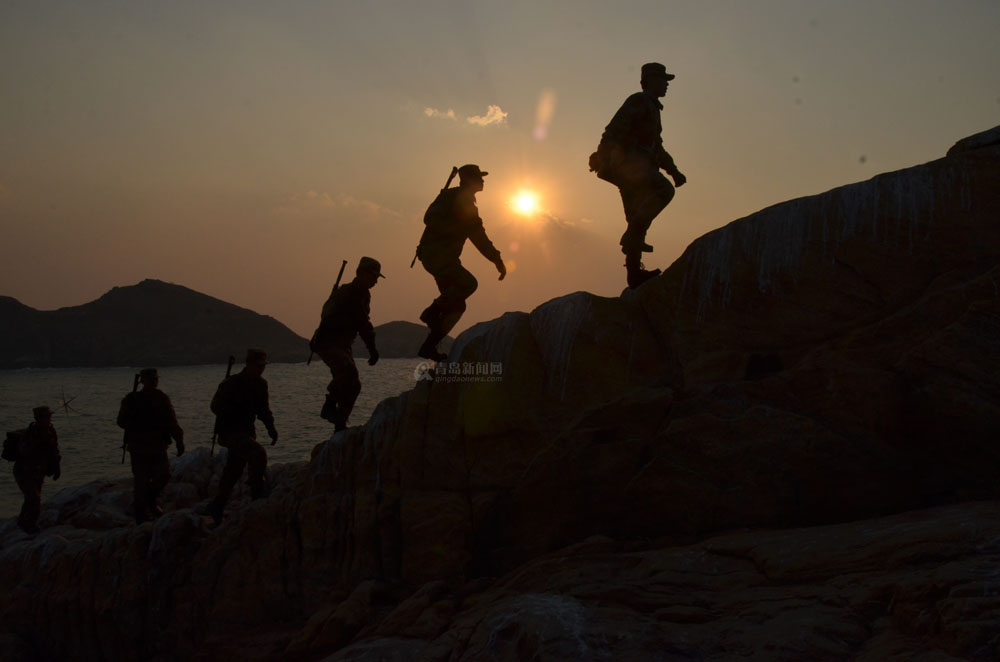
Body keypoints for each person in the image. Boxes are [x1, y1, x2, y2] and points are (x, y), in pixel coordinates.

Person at [590, 62, 687, 289]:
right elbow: (613, 130)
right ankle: (632, 236)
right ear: (650, 81)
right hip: (631, 167)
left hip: (637, 167)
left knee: (635, 217)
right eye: (663, 80)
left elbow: (657, 147)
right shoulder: (639, 101)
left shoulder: (653, 108)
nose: (666, 85)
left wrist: (673, 171)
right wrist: (602, 156)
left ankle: (634, 274)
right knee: (663, 191)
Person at [416, 164, 506, 361]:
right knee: (469, 283)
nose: (483, 181)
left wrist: (496, 258)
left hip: (440, 257)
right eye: (479, 177)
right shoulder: (456, 199)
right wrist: (496, 259)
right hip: (437, 256)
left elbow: (477, 236)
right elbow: (430, 218)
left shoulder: (461, 202)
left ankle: (429, 346)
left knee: (457, 306)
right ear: (468, 180)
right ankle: (432, 312)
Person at [207, 348, 278, 525]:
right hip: (230, 431)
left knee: (234, 469)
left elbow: (263, 409)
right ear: (249, 364)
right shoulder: (231, 384)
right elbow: (215, 407)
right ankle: (256, 495)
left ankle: (218, 504)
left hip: (246, 431)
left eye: (263, 366)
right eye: (258, 365)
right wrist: (230, 408)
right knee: (258, 453)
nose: (261, 369)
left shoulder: (261, 384)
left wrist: (271, 428)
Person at [310, 257, 383, 431]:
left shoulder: (363, 293)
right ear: (361, 273)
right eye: (373, 276)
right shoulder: (352, 293)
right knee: (346, 372)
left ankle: (340, 422)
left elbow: (362, 323)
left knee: (354, 384)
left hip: (342, 343)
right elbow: (363, 323)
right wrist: (372, 349)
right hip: (328, 342)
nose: (375, 281)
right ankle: (328, 407)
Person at [116, 368, 185, 524]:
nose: (154, 381)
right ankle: (140, 513)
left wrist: (179, 440)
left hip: (157, 445)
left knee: (164, 475)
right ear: (143, 381)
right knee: (141, 481)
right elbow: (121, 422)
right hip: (139, 446)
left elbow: (171, 421)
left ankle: (150, 501)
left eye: (155, 378)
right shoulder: (131, 400)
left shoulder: (161, 398)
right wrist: (134, 419)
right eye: (150, 379)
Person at [12, 406, 61, 534]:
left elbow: (55, 451)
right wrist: (39, 444)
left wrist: (56, 467)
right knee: (33, 498)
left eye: (50, 416)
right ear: (40, 418)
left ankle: (24, 522)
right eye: (47, 417)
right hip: (24, 471)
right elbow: (25, 451)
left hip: (38, 471)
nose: (49, 419)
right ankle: (28, 525)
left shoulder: (50, 431)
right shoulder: (32, 433)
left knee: (33, 498)